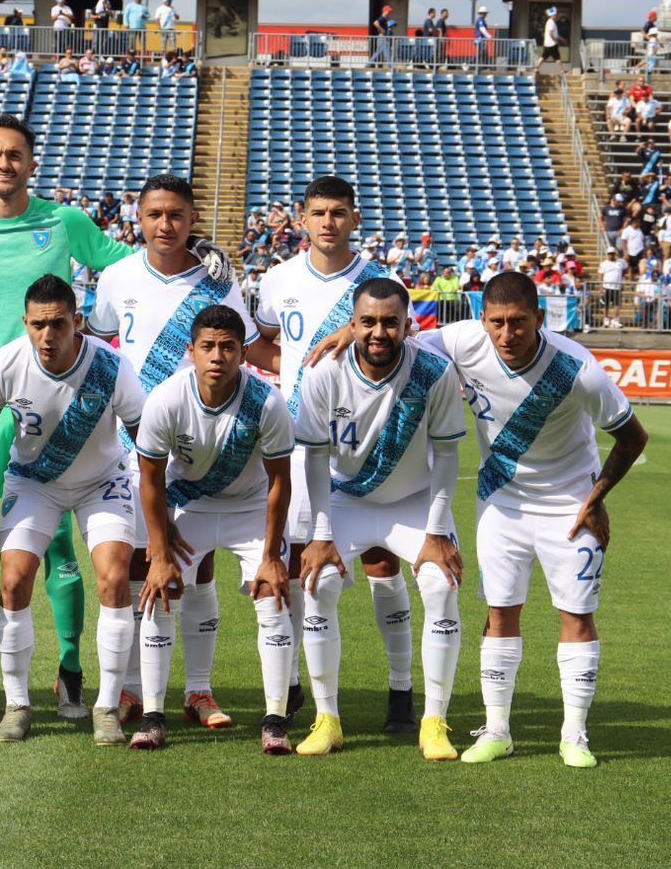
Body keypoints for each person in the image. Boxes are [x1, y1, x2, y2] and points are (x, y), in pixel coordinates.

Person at [0, 114, 149, 718]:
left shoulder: (63, 221)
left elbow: (130, 266)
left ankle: (71, 666)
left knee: (58, 549)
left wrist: (198, 261)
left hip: (52, 397)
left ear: (31, 162)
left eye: (15, 154)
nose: (4, 163)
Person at [419, 273, 647, 767]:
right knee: (500, 612)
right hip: (501, 501)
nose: (507, 334)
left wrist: (596, 495)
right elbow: (398, 338)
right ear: (482, 321)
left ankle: (574, 734)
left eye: (518, 322)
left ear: (539, 319)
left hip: (569, 506)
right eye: (497, 323)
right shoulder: (461, 340)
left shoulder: (578, 370)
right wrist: (351, 331)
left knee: (576, 615)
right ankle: (497, 729)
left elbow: (633, 437)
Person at [86, 174, 277, 728]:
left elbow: (244, 345)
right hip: (133, 439)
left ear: (193, 220)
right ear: (138, 220)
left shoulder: (219, 283)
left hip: (201, 439)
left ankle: (198, 691)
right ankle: (132, 689)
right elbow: (98, 342)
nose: (165, 224)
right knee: (144, 561)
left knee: (198, 562)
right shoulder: (117, 276)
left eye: (176, 214)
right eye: (154, 214)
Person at [254, 175, 419, 732]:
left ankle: (401, 691)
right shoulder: (277, 280)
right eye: (319, 212)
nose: (329, 222)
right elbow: (264, 342)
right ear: (300, 219)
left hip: (367, 433)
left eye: (339, 213)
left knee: (380, 562)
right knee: (306, 562)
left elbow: (405, 341)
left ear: (355, 220)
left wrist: (354, 328)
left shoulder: (381, 282)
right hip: (299, 438)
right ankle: (299, 685)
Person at [292, 279, 467, 760]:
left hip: (413, 502)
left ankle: (434, 721)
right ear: (352, 325)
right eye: (368, 321)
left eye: (390, 321)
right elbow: (314, 459)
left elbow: (448, 455)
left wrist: (436, 531)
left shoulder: (434, 372)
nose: (378, 331)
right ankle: (327, 719)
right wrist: (321, 535)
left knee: (439, 583)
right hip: (348, 499)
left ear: (408, 325)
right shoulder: (324, 372)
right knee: (319, 582)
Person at [0, 276, 146, 745]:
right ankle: (17, 706)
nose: (47, 336)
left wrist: (162, 513)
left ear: (77, 320)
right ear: (25, 323)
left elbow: (147, 446)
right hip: (33, 483)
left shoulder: (112, 367)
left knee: (114, 577)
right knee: (13, 580)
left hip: (102, 482)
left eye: (57, 324)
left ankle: (106, 707)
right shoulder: (4, 365)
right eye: (37, 325)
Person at [133, 305, 297, 753]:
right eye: (207, 346)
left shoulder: (267, 401)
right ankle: (152, 715)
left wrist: (271, 556)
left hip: (249, 509)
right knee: (162, 589)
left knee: (272, 595)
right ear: (190, 351)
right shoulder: (166, 398)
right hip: (190, 505)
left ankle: (275, 720)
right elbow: (150, 477)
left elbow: (280, 481)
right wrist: (160, 548)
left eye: (228, 347)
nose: (217, 356)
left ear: (243, 353)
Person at [533, 7, 562, 75]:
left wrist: (560, 39)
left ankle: (535, 68)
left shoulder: (550, 22)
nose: (556, 15)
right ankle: (562, 70)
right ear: (552, 15)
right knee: (557, 57)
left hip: (547, 43)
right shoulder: (551, 22)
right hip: (552, 43)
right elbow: (551, 33)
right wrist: (555, 40)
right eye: (555, 14)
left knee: (543, 57)